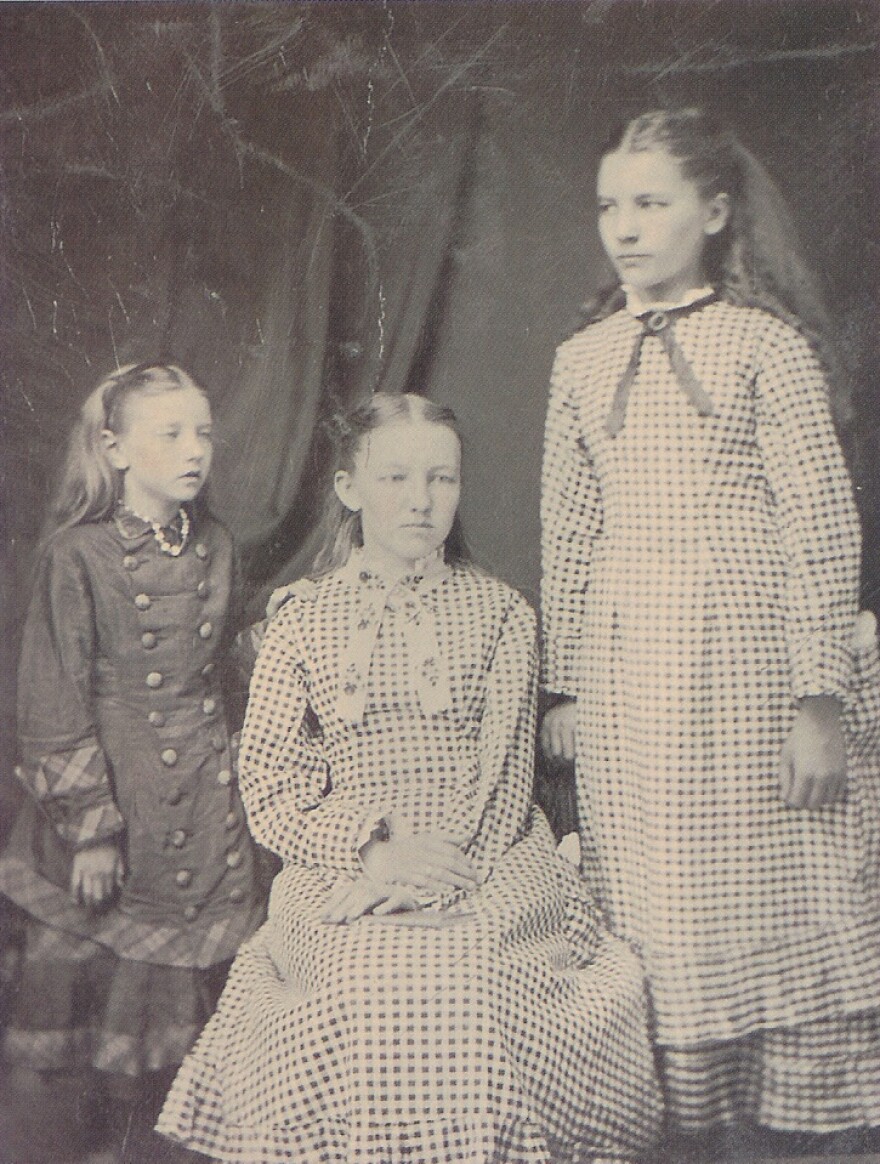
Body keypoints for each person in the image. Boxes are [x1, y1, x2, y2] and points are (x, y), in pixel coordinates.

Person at [157, 392, 662, 1164]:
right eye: (395, 479)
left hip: (487, 855)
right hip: (342, 863)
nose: (422, 502)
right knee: (365, 969)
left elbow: (501, 776)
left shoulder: (502, 614)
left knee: (464, 967)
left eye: (442, 480)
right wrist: (371, 854)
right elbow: (270, 783)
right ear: (350, 489)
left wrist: (432, 876)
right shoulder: (301, 619)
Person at [540, 107, 880, 1146]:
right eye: (609, 206)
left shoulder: (763, 347)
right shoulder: (580, 360)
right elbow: (567, 528)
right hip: (631, 675)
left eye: (651, 203)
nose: (624, 228)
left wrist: (816, 697)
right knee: (659, 900)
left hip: (753, 671)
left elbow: (821, 528)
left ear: (717, 213)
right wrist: (564, 688)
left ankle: (786, 1130)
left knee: (777, 887)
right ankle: (678, 1126)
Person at [0, 363, 264, 1163]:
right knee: (92, 1025)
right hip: (121, 807)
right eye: (171, 434)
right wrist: (91, 832)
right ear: (114, 449)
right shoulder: (75, 556)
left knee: (185, 1050)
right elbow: (50, 705)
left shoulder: (214, 542)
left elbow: (226, 660)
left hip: (199, 799)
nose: (195, 451)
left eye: (204, 433)